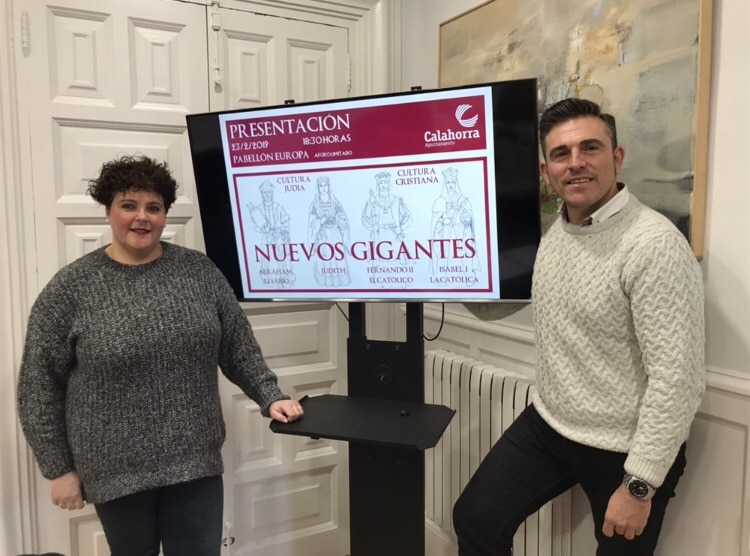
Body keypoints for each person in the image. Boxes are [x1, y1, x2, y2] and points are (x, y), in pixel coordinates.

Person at [17, 155, 304, 556]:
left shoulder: (199, 273)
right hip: (115, 470)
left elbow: (237, 346)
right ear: (108, 212)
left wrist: (270, 395)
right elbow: (39, 386)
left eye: (153, 207)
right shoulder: (71, 288)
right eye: (128, 205)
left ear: (165, 215)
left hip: (195, 462)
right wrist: (58, 468)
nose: (142, 217)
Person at [452, 98, 705, 555]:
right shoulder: (557, 230)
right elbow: (499, 306)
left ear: (616, 157)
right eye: (561, 154)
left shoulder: (654, 245)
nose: (576, 163)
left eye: (590, 148)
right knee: (476, 518)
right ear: (546, 171)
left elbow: (678, 380)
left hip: (626, 447)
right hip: (551, 423)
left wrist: (639, 485)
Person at [308, 175, 351, 286]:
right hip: (322, 236)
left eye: (325, 185)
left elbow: (343, 219)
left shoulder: (335, 203)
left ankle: (339, 282)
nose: (323, 188)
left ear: (328, 186)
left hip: (335, 234)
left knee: (337, 256)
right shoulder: (314, 205)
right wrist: (320, 221)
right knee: (325, 258)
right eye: (321, 186)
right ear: (318, 188)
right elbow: (311, 224)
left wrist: (337, 219)